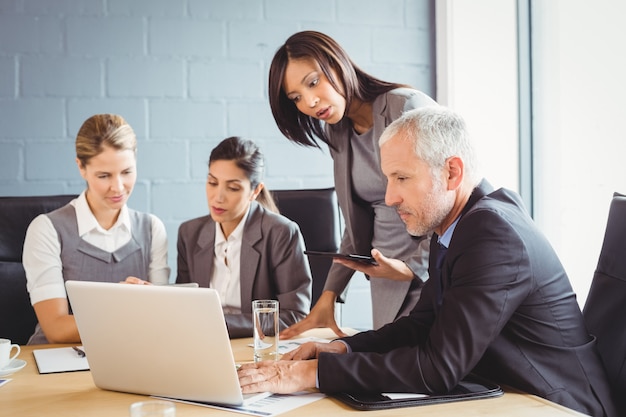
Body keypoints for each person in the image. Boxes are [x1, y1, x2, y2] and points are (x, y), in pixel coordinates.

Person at [238, 106, 618, 416]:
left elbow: (439, 367)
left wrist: (310, 374)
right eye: (388, 179)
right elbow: (422, 326)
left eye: (402, 178)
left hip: (558, 407)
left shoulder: (493, 234)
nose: (390, 197)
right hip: (508, 397)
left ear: (451, 172)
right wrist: (342, 349)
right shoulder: (455, 224)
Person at [269, 30, 436, 338]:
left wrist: (414, 268)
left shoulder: (405, 107)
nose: (309, 102)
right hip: (386, 279)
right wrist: (328, 297)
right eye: (296, 98)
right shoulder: (338, 132)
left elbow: (451, 197)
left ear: (336, 62)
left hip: (431, 275)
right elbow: (356, 228)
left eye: (313, 82)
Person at [23, 114, 171, 345]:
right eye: (104, 176)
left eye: (127, 172)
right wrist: (121, 306)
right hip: (57, 361)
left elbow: (160, 318)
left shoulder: (152, 229)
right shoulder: (47, 229)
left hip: (131, 357)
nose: (118, 187)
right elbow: (56, 329)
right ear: (81, 167)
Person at [176, 136, 312, 338]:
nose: (218, 197)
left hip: (255, 348)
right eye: (212, 182)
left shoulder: (280, 233)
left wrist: (220, 324)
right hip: (204, 344)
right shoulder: (190, 233)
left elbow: (294, 315)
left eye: (232, 188)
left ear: (255, 191)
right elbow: (185, 306)